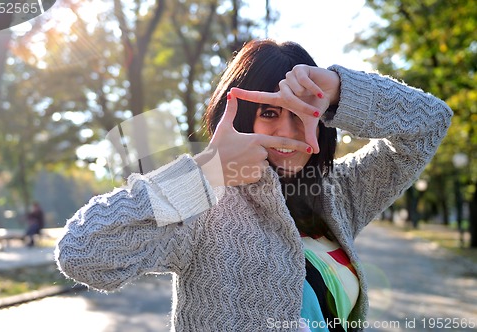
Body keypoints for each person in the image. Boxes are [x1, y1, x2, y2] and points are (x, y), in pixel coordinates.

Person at [55, 39, 452, 331]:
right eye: (268, 112)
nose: (285, 132)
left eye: (302, 113)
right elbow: (82, 251)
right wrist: (207, 170)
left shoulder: (340, 193)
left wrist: (339, 89)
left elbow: (430, 122)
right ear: (242, 117)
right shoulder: (204, 202)